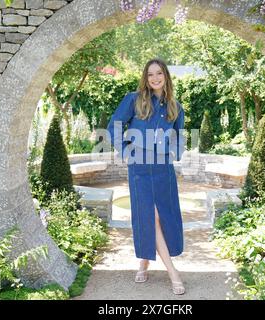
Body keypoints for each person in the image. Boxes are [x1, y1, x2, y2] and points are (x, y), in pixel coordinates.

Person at [106, 58, 186, 295]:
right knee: (148, 216)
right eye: (150, 74)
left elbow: (180, 135)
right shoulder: (134, 99)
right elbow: (114, 125)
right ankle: (173, 273)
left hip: (163, 168)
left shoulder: (175, 106)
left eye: (159, 73)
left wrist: (175, 153)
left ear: (166, 76)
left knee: (162, 217)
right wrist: (125, 151)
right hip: (139, 167)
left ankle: (144, 261)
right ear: (145, 77)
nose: (154, 78)